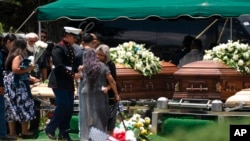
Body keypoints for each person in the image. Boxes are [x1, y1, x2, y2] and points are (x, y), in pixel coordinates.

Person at [45, 26, 82, 141]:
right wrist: (73, 74)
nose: (76, 40)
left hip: (67, 82)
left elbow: (71, 63)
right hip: (59, 81)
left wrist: (78, 70)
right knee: (63, 106)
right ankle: (50, 128)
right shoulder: (58, 48)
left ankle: (64, 132)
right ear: (68, 36)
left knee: (69, 108)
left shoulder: (69, 48)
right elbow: (59, 66)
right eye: (74, 37)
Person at [79, 48, 120, 141]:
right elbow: (112, 81)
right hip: (99, 95)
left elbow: (80, 80)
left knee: (87, 118)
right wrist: (116, 94)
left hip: (86, 95)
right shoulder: (102, 66)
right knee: (100, 118)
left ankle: (87, 138)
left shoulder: (84, 67)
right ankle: (99, 139)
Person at [4, 38, 37, 139]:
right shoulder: (18, 56)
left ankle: (13, 133)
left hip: (11, 85)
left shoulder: (11, 55)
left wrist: (30, 77)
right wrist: (29, 69)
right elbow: (15, 70)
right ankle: (24, 131)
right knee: (24, 106)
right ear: (23, 47)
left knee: (12, 108)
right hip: (17, 86)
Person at [75, 32, 96, 139]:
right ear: (92, 41)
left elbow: (75, 73)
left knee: (82, 109)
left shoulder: (78, 53)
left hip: (82, 83)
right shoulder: (94, 53)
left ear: (83, 42)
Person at [95, 44, 119, 135]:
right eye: (97, 54)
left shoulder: (110, 65)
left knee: (110, 121)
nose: (99, 57)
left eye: (101, 55)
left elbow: (113, 81)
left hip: (110, 95)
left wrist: (108, 88)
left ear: (106, 56)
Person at [0, 34, 17, 140]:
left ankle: (3, 133)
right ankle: (2, 134)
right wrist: (1, 85)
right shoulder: (2, 52)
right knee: (1, 109)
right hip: (1, 84)